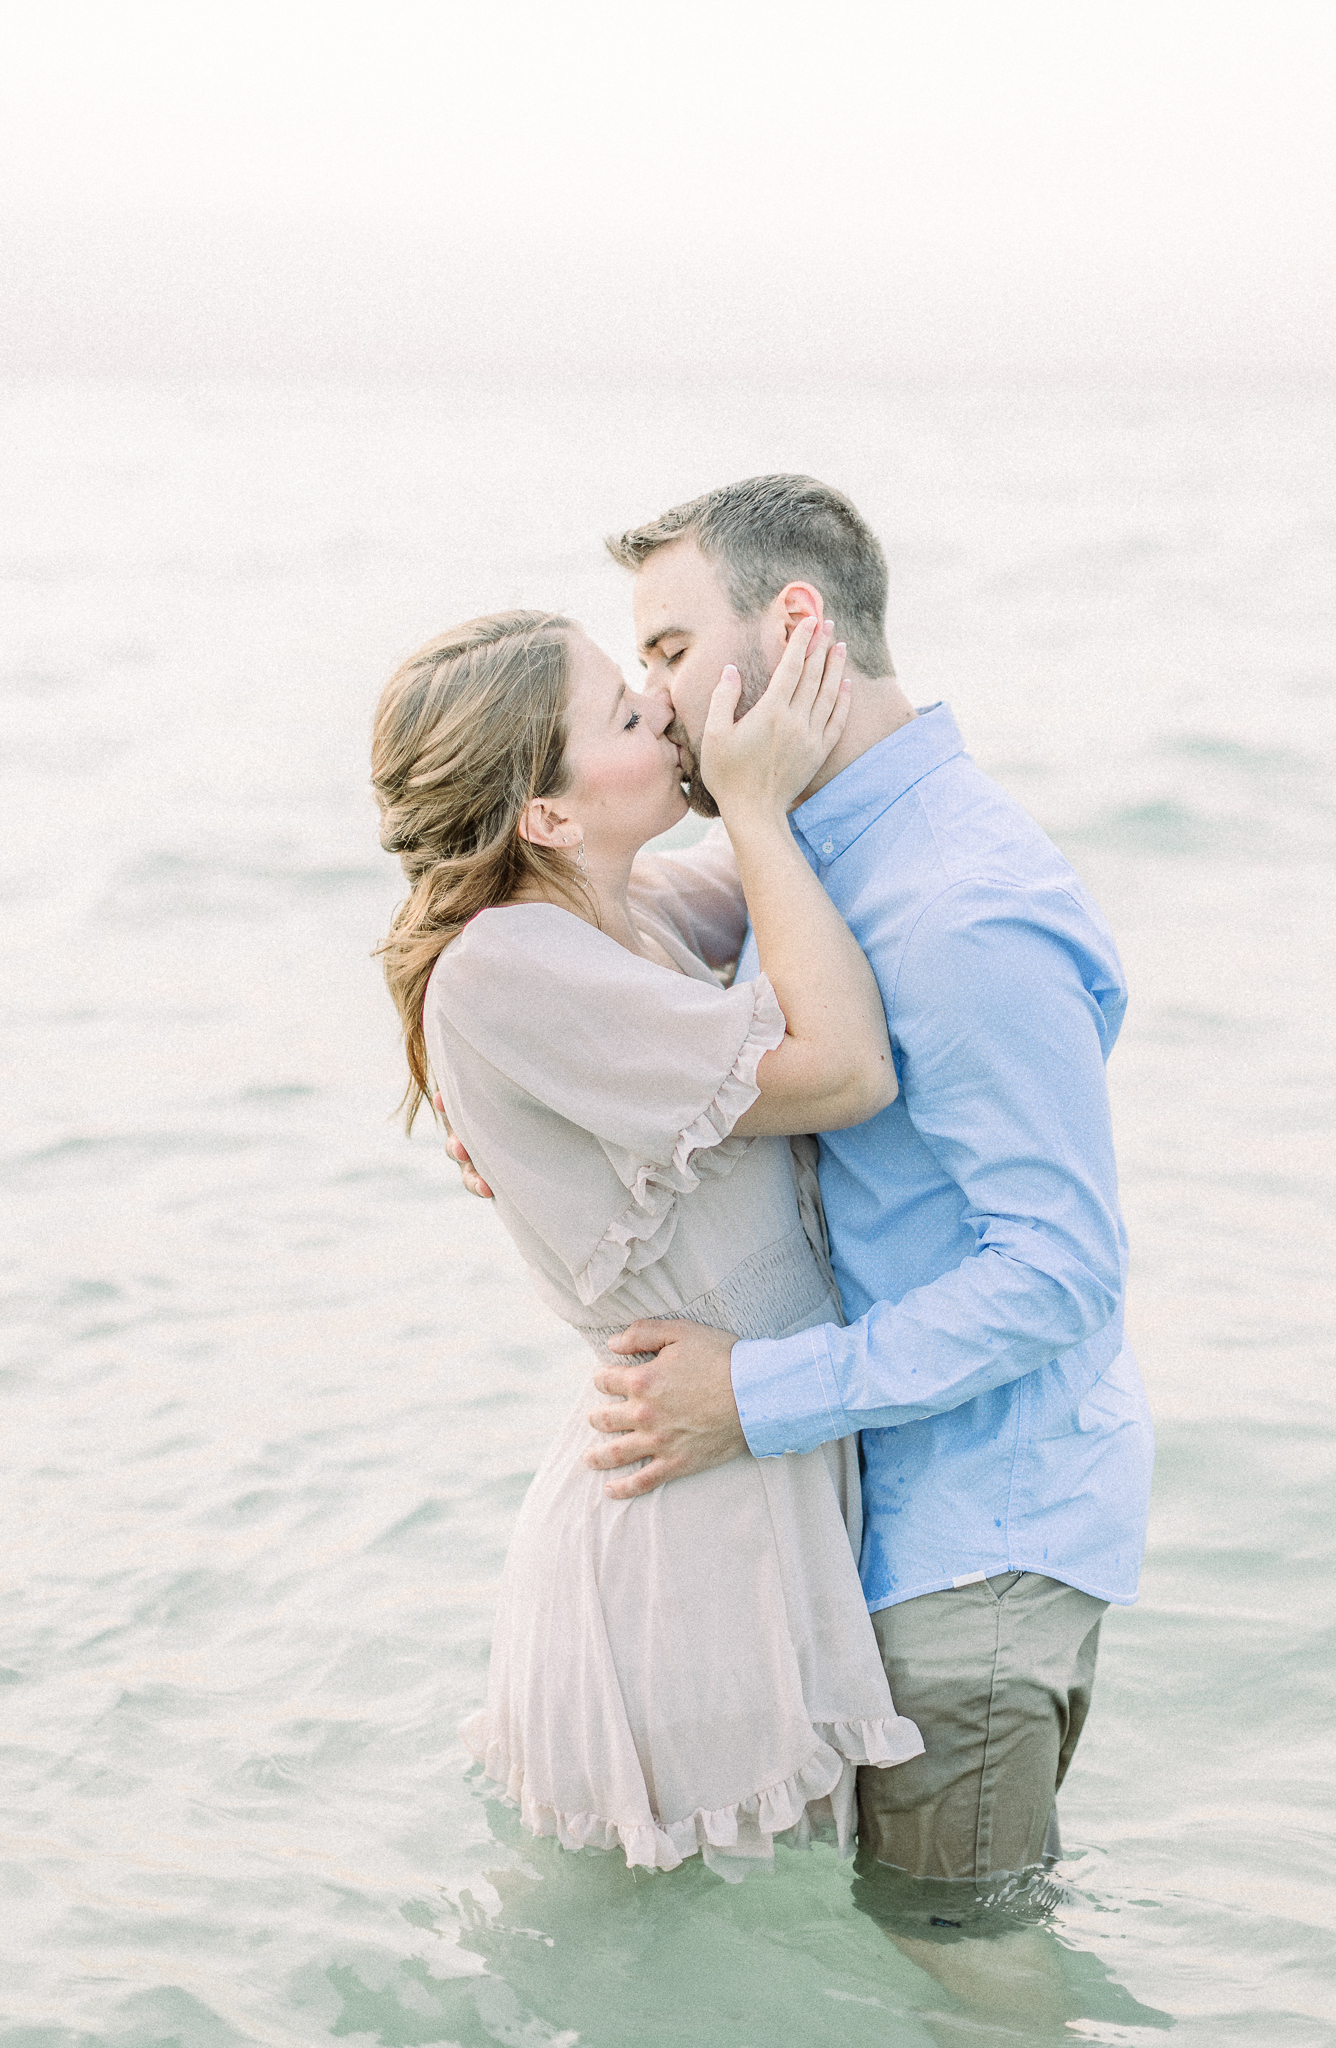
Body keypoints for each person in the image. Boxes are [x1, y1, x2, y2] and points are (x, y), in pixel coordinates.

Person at [447, 477, 1155, 1955]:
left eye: (667, 653)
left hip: (974, 1558)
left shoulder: (953, 904)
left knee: (971, 1981)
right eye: (634, 674)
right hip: (872, 1535)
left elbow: (1062, 1269)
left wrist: (752, 1395)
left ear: (793, 627)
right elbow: (592, 951)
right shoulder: (810, 854)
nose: (655, 699)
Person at [371, 605, 924, 1883]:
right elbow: (844, 1067)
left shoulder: (631, 912)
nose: (662, 712)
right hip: (683, 1529)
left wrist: (798, 660)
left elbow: (825, 864)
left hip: (742, 1453)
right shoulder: (508, 962)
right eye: (626, 713)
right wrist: (760, 808)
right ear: (547, 817)